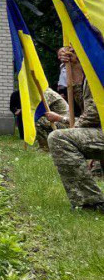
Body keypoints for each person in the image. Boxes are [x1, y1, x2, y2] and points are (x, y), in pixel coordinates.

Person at [48, 77, 104, 211]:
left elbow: (93, 114)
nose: (62, 56)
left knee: (60, 138)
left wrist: (70, 125)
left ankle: (91, 202)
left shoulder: (96, 68)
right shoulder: (88, 74)